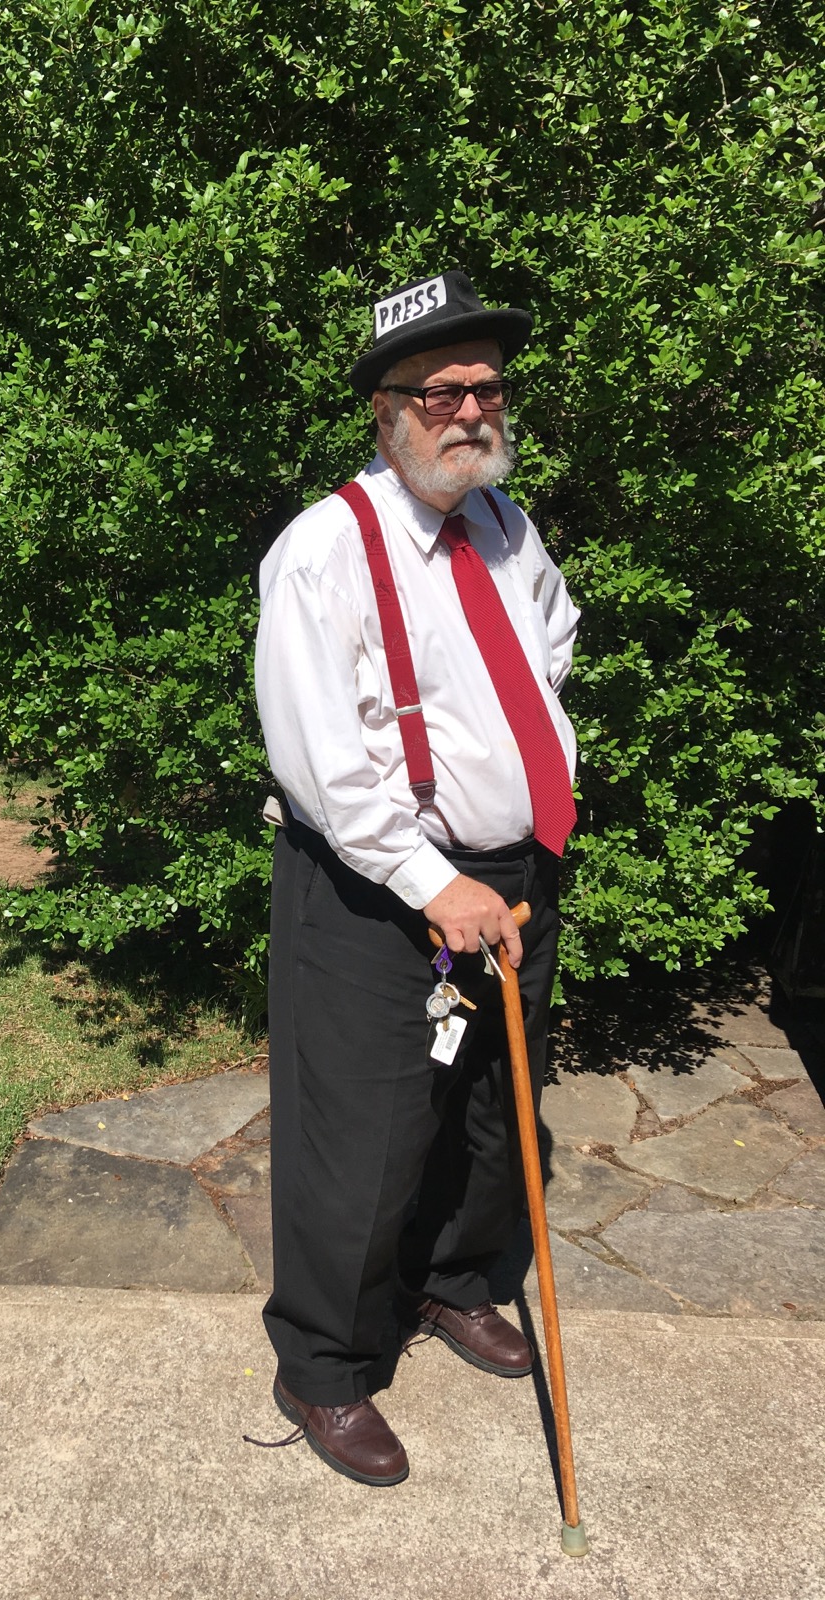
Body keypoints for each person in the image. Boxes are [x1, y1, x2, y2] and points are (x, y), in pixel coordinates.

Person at [254, 270, 579, 1487]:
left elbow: (549, 638)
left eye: (487, 386)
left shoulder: (507, 525)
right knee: (366, 1134)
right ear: (387, 411)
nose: (471, 409)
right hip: (374, 889)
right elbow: (321, 760)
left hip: (516, 875)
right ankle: (324, 1364)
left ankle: (451, 1281)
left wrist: (522, 779)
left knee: (492, 1104)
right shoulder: (325, 549)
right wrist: (430, 876)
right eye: (442, 391)